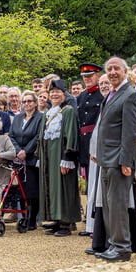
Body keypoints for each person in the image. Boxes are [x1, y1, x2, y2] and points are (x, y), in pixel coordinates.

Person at [96, 57, 136, 262]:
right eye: (109, 69)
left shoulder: (130, 95)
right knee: (108, 205)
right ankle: (114, 244)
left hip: (118, 160)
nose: (112, 72)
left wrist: (126, 161)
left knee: (118, 204)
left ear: (125, 71)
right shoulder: (111, 94)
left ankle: (123, 248)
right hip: (105, 160)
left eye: (116, 68)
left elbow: (131, 132)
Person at [38, 79, 80, 237]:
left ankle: (66, 222)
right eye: (52, 92)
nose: (54, 94)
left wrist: (67, 157)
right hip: (48, 156)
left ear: (64, 94)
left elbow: (70, 133)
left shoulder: (67, 110)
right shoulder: (48, 113)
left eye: (57, 92)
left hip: (60, 156)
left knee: (63, 187)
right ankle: (56, 218)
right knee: (52, 187)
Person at [76, 62, 104, 232]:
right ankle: (88, 216)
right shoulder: (81, 96)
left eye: (90, 76)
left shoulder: (102, 95)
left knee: (95, 181)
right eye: (85, 77)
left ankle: (93, 217)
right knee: (86, 180)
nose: (87, 79)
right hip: (83, 142)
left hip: (96, 140)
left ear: (98, 76)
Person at [9, 90, 43, 230]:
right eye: (24, 101)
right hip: (18, 159)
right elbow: (11, 135)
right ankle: (23, 216)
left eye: (30, 101)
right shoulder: (17, 118)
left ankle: (32, 219)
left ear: (35, 103)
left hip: (32, 159)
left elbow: (38, 136)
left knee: (32, 190)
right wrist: (18, 151)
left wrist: (26, 152)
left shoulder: (41, 117)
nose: (27, 104)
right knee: (21, 189)